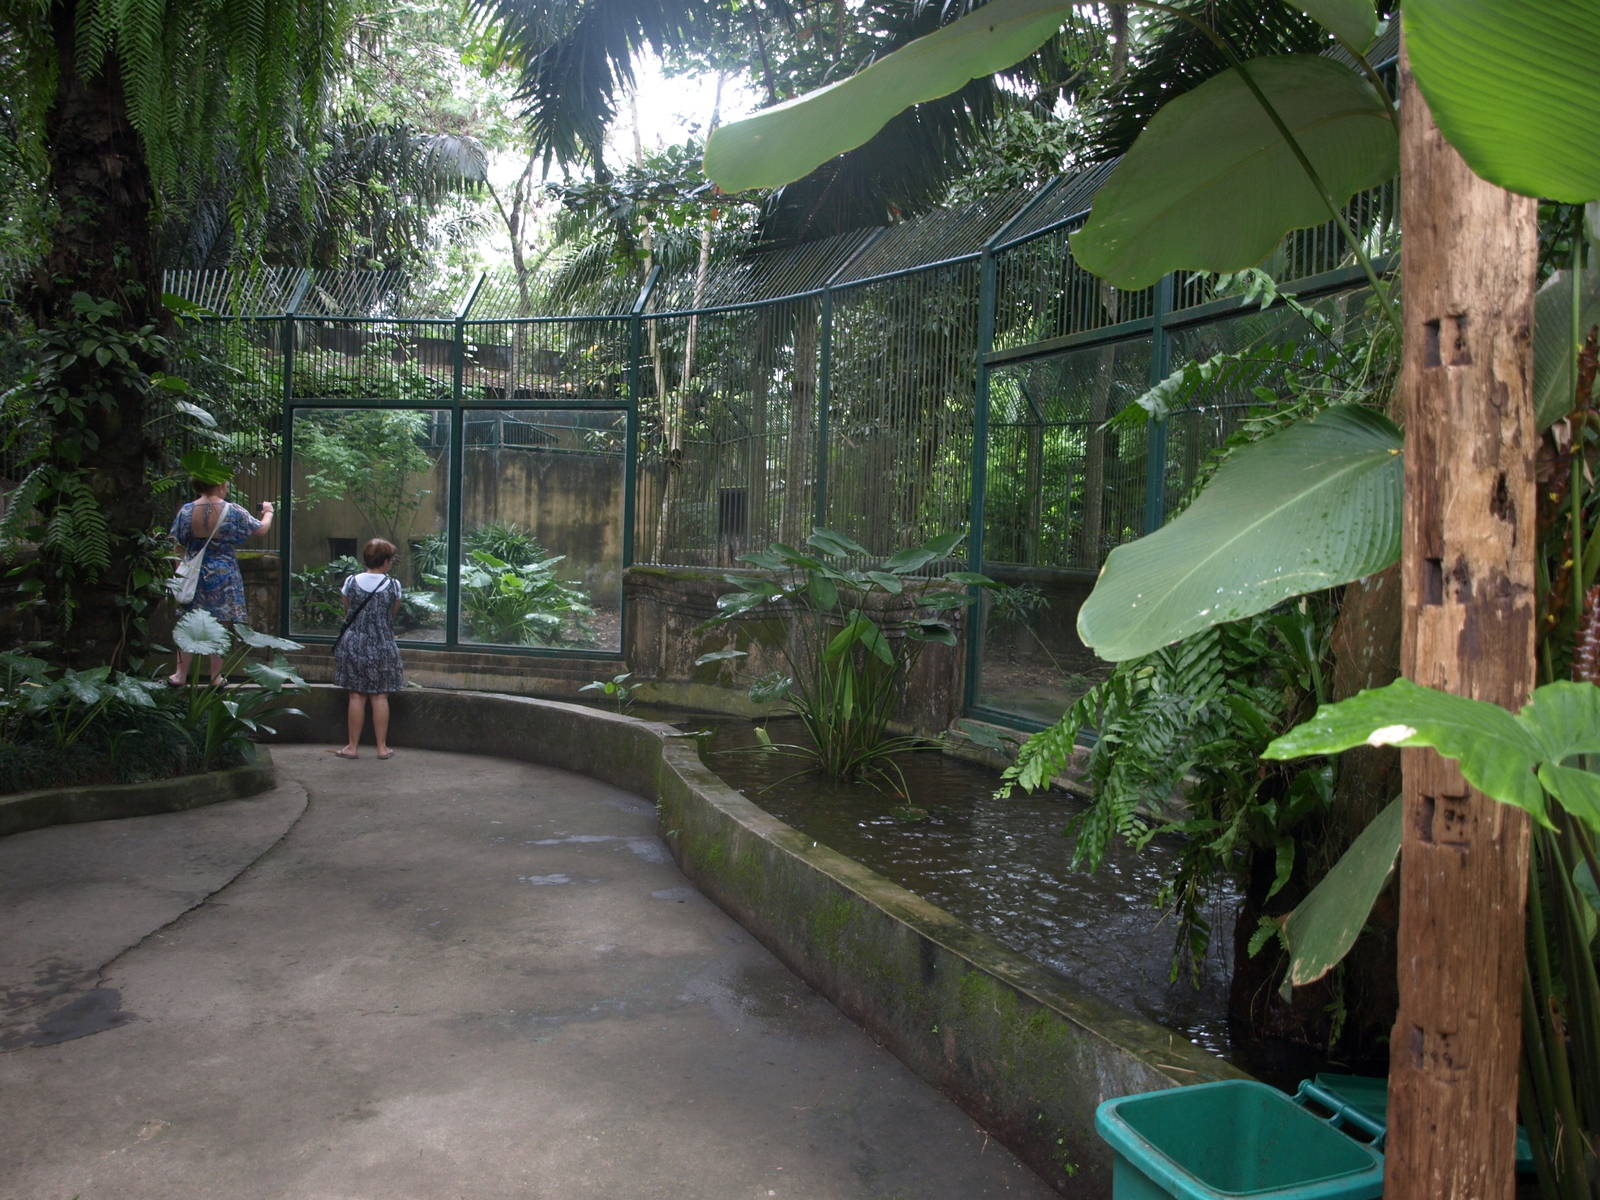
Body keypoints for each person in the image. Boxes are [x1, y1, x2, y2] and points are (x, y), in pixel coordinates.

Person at [167, 478, 274, 686]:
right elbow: (260, 529)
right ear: (219, 485)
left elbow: (175, 542)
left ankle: (180, 675)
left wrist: (180, 571)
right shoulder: (233, 510)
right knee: (221, 623)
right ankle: (216, 677)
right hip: (224, 573)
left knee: (188, 622)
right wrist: (268, 512)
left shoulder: (187, 511)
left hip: (194, 572)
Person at [333, 537, 406, 760]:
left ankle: (352, 747)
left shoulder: (351, 582)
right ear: (385, 561)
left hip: (354, 643)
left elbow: (348, 610)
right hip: (382, 643)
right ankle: (382, 748)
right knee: (380, 696)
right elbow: (392, 614)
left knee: (356, 696)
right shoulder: (393, 585)